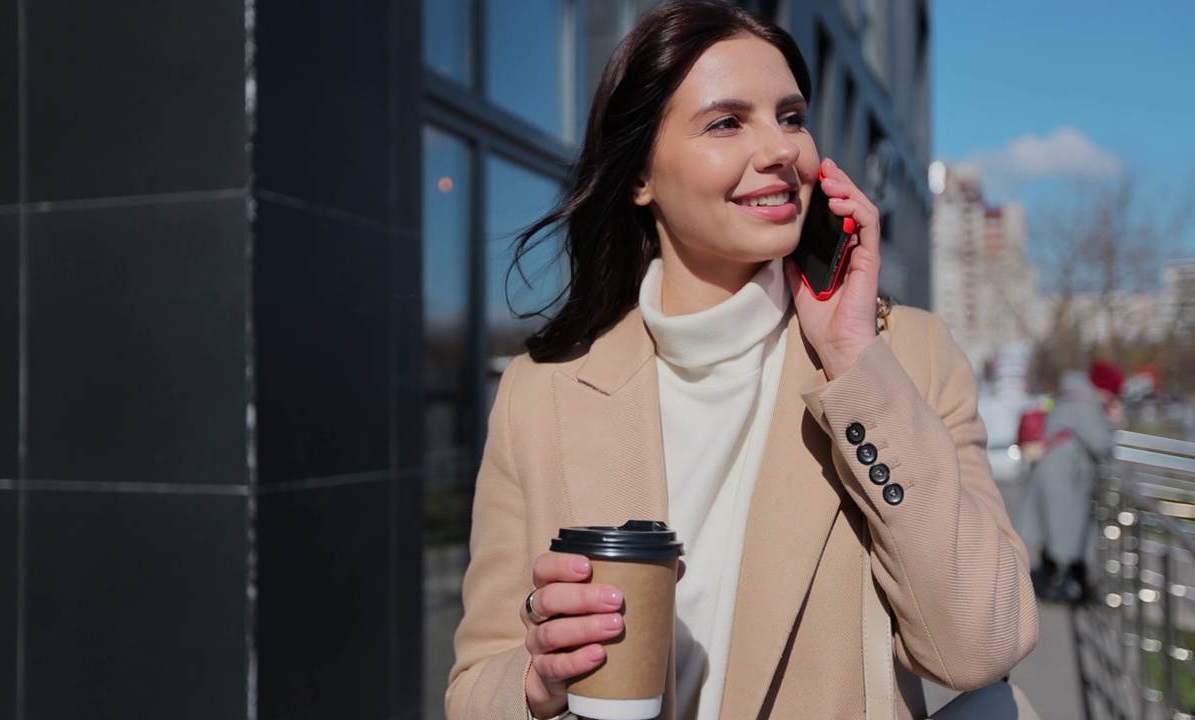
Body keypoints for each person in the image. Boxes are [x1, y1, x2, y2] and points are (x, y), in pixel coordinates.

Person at [446, 3, 1038, 718]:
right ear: (639, 177)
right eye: (728, 122)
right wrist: (537, 684)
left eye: (791, 116)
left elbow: (982, 644)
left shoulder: (903, 357)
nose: (783, 149)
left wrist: (852, 358)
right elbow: (477, 685)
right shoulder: (540, 394)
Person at [1021, 359, 1125, 604]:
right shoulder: (1085, 402)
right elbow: (1100, 444)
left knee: (1058, 532)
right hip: (1065, 478)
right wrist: (1114, 422)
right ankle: (1063, 587)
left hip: (1054, 471)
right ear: (1105, 388)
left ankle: (1065, 584)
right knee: (1068, 532)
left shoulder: (1072, 394)